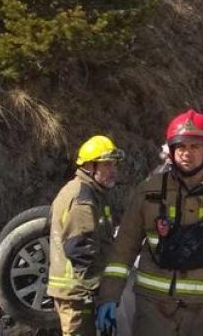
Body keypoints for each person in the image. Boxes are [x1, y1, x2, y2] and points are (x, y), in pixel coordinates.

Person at [96, 110, 203, 336]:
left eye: (194, 147)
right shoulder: (148, 191)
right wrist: (109, 296)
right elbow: (122, 251)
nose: (186, 154)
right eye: (181, 147)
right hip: (153, 310)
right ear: (171, 150)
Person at [47, 135, 125, 336]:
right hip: (78, 292)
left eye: (114, 165)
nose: (113, 171)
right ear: (90, 166)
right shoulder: (83, 197)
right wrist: (101, 289)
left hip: (79, 291)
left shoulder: (92, 192)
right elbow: (79, 248)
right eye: (107, 165)